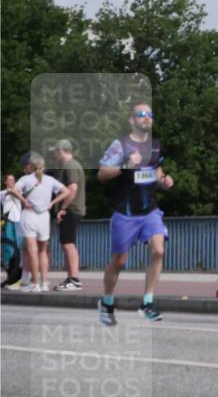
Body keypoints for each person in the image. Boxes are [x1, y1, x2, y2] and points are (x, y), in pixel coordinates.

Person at [97, 103, 174, 326]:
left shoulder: (156, 145)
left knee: (158, 250)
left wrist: (163, 180)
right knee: (119, 261)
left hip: (150, 211)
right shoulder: (120, 145)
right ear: (132, 120)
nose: (147, 118)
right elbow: (102, 173)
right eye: (141, 114)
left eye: (150, 114)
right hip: (126, 213)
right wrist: (125, 166)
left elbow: (156, 170)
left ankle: (147, 303)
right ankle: (107, 302)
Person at [10, 153, 71, 292]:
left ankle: (34, 283)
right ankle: (44, 283)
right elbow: (66, 191)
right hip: (44, 217)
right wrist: (52, 203)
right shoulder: (49, 179)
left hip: (29, 215)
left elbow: (13, 190)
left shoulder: (26, 179)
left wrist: (24, 201)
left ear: (30, 166)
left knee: (32, 250)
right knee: (43, 251)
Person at [50, 139, 86, 292]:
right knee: (67, 243)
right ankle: (71, 278)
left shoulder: (71, 166)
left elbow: (72, 188)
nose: (54, 155)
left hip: (71, 209)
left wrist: (63, 208)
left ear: (60, 151)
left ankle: (74, 279)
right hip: (72, 209)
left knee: (68, 243)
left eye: (55, 152)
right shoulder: (71, 165)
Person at [1, 173, 24, 288]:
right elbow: (10, 192)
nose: (12, 182)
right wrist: (16, 191)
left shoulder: (19, 192)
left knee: (19, 249)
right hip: (9, 222)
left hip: (19, 222)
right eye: (10, 180)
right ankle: (10, 277)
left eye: (13, 180)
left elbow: (20, 195)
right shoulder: (2, 193)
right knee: (9, 250)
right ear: (5, 182)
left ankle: (17, 278)